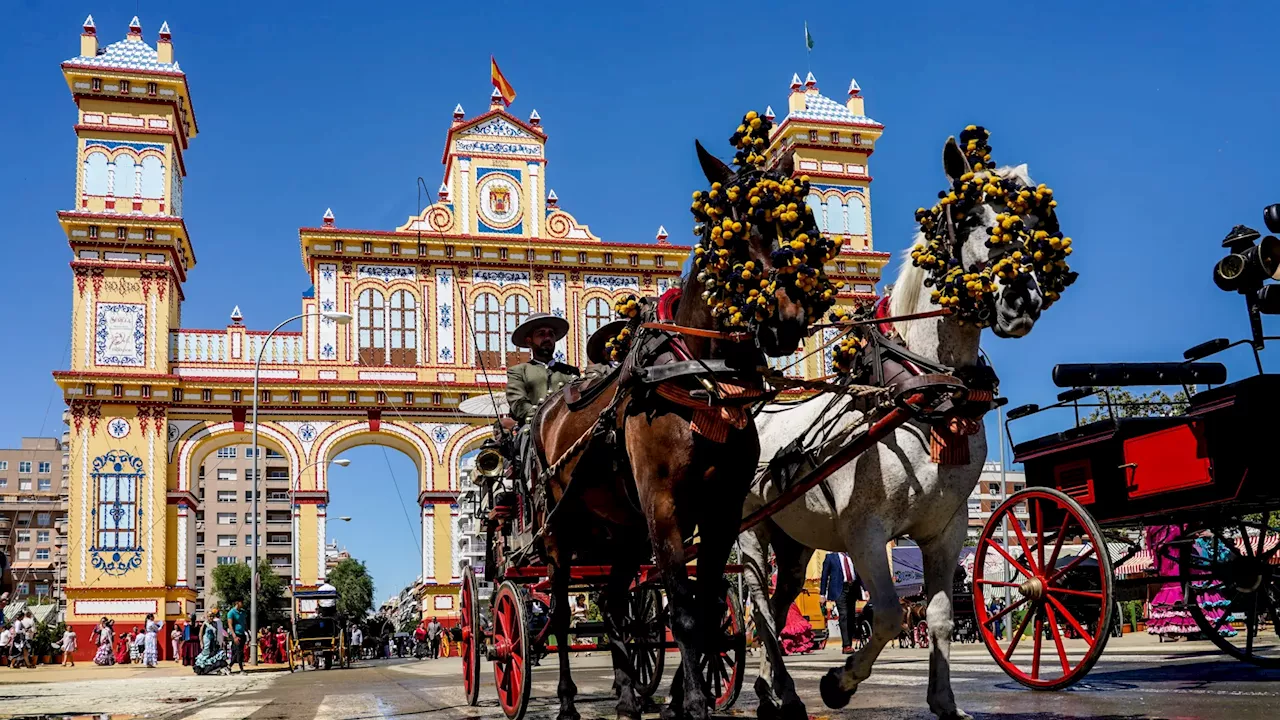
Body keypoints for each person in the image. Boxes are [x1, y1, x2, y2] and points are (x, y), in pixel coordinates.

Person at [820, 551, 863, 654]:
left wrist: (865, 589)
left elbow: (860, 574)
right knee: (843, 615)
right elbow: (824, 576)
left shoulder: (853, 556)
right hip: (839, 589)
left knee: (851, 616)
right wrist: (822, 594)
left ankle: (850, 642)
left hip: (853, 588)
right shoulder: (831, 557)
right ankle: (846, 645)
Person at [194, 610, 229, 676]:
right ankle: (203, 669)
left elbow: (217, 633)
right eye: (209, 616)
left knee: (214, 655)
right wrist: (201, 642)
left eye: (212, 616)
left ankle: (213, 669)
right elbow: (200, 634)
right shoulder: (205, 624)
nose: (211, 618)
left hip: (213, 642)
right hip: (206, 642)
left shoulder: (215, 623)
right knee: (206, 655)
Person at [226, 600, 247, 672]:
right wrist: (234, 636)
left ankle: (229, 666)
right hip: (236, 634)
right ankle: (241, 669)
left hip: (242, 633)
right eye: (242, 602)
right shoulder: (231, 613)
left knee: (239, 652)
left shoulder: (243, 612)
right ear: (237, 603)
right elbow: (230, 624)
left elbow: (244, 623)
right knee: (239, 651)